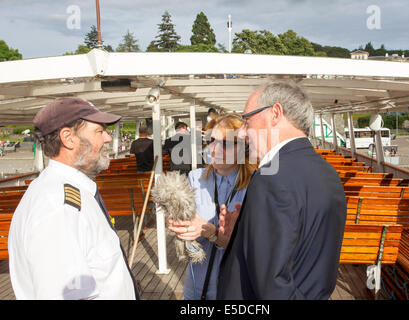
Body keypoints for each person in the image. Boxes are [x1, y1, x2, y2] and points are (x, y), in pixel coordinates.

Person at [217, 81, 347, 300]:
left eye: (247, 120)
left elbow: (273, 285)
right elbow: (304, 250)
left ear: (275, 113)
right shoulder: (329, 174)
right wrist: (244, 233)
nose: (242, 133)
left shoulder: (271, 178)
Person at [8, 97, 139, 300]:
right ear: (68, 138)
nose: (107, 138)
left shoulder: (68, 193)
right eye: (99, 131)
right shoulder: (58, 207)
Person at [167, 114, 258, 300]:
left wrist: (211, 232)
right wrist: (179, 225)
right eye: (212, 141)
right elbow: (185, 226)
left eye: (224, 143)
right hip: (197, 288)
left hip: (236, 290)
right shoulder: (195, 178)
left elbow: (253, 249)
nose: (213, 149)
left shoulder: (256, 185)